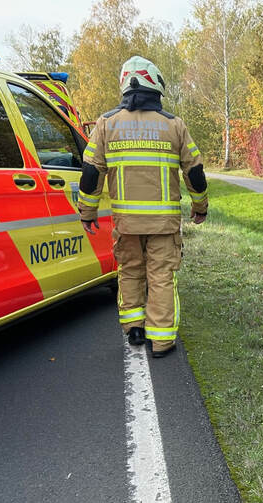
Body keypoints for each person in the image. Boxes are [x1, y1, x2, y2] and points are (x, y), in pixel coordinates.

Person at [77, 55, 209, 358]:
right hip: (163, 225)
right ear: (157, 85)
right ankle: (162, 341)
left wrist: (88, 211)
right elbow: (195, 172)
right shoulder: (174, 125)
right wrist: (200, 207)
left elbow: (91, 172)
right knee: (161, 277)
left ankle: (134, 329)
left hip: (126, 223)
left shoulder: (106, 124)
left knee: (130, 271)